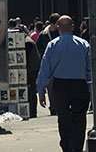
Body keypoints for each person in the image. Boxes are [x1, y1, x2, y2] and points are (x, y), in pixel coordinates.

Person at [36, 15, 91, 152]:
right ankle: (77, 147)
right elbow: (90, 69)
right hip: (80, 85)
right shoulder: (84, 45)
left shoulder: (52, 45)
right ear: (72, 27)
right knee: (79, 118)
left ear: (58, 28)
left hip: (60, 86)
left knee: (64, 118)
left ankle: (66, 146)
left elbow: (45, 69)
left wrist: (41, 91)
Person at [24, 28, 41, 118]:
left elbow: (27, 59)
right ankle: (32, 111)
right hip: (33, 69)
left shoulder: (27, 43)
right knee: (32, 92)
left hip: (31, 70)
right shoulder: (29, 41)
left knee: (31, 92)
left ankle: (32, 112)